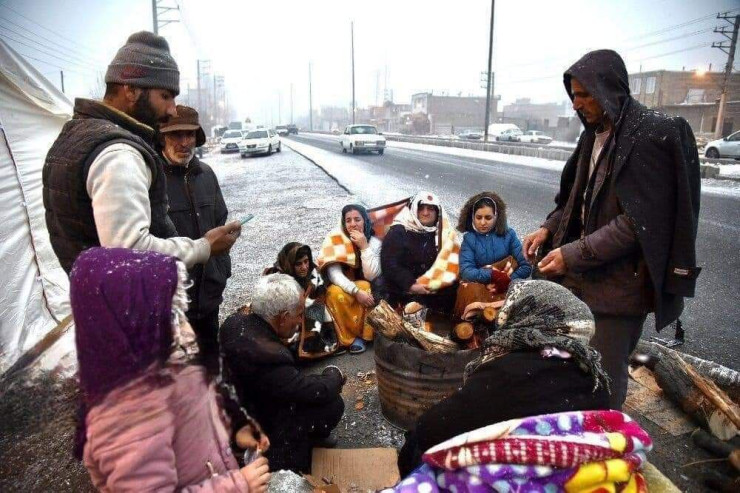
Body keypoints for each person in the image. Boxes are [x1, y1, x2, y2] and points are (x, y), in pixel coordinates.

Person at [522, 50, 701, 409]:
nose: (577, 104)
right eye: (573, 95)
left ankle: (605, 446)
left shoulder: (651, 134)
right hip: (584, 277)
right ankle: (575, 429)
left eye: (585, 94)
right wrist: (548, 228)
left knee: (604, 372)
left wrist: (571, 254)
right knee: (572, 361)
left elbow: (638, 223)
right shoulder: (592, 136)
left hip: (622, 285)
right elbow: (577, 199)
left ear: (609, 89)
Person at [72, 247, 270, 492]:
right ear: (124, 327)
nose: (187, 331)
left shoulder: (172, 364)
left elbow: (198, 417)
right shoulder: (126, 417)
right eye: (170, 318)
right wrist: (238, 485)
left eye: (180, 313)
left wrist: (234, 433)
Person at [43, 31, 240, 274]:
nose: (172, 111)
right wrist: (203, 247)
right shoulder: (118, 154)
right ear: (131, 90)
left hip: (96, 298)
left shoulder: (78, 134)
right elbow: (130, 253)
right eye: (165, 96)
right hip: (125, 304)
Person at [398, 280, 612, 477]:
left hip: (512, 478)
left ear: (527, 316)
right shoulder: (595, 378)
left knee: (416, 445)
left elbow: (432, 431)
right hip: (570, 477)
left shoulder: (509, 373)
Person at [220, 274, 346, 473]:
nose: (301, 320)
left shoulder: (233, 323)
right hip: (260, 427)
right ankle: (287, 456)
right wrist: (334, 375)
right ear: (283, 317)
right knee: (333, 404)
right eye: (299, 314)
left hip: (238, 410)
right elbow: (310, 390)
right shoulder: (270, 356)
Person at [159, 105, 231, 370]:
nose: (184, 142)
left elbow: (220, 219)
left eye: (189, 135)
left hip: (209, 295)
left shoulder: (206, 175)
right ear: (162, 137)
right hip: (173, 303)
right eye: (175, 135)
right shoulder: (152, 180)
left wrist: (221, 269)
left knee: (211, 364)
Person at [316, 204, 382, 354]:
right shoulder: (335, 239)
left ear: (365, 221)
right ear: (343, 223)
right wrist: (355, 291)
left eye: (357, 219)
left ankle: (361, 337)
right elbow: (334, 274)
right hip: (342, 286)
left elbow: (371, 275)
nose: (353, 224)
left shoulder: (374, 243)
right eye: (348, 220)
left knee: (366, 286)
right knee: (333, 293)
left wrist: (364, 246)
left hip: (365, 285)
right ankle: (343, 339)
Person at [454, 192, 531, 318]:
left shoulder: (509, 235)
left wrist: (507, 281)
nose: (483, 222)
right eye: (478, 217)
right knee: (467, 291)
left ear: (496, 217)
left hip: (506, 286)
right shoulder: (469, 239)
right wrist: (492, 275)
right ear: (472, 217)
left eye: (488, 218)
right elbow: (466, 271)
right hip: (480, 288)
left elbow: (526, 266)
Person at [379, 191, 458, 313]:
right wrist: (412, 285)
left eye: (430, 209)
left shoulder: (443, 234)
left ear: (437, 212)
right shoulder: (399, 231)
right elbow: (390, 264)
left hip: (429, 289)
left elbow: (451, 262)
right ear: (414, 209)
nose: (425, 213)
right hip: (402, 288)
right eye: (421, 208)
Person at [263, 242, 337, 357]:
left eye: (306, 261)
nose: (304, 267)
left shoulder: (313, 271)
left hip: (310, 307)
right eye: (298, 264)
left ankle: (316, 344)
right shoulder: (276, 278)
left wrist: (310, 300)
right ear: (289, 264)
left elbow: (320, 291)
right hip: (287, 316)